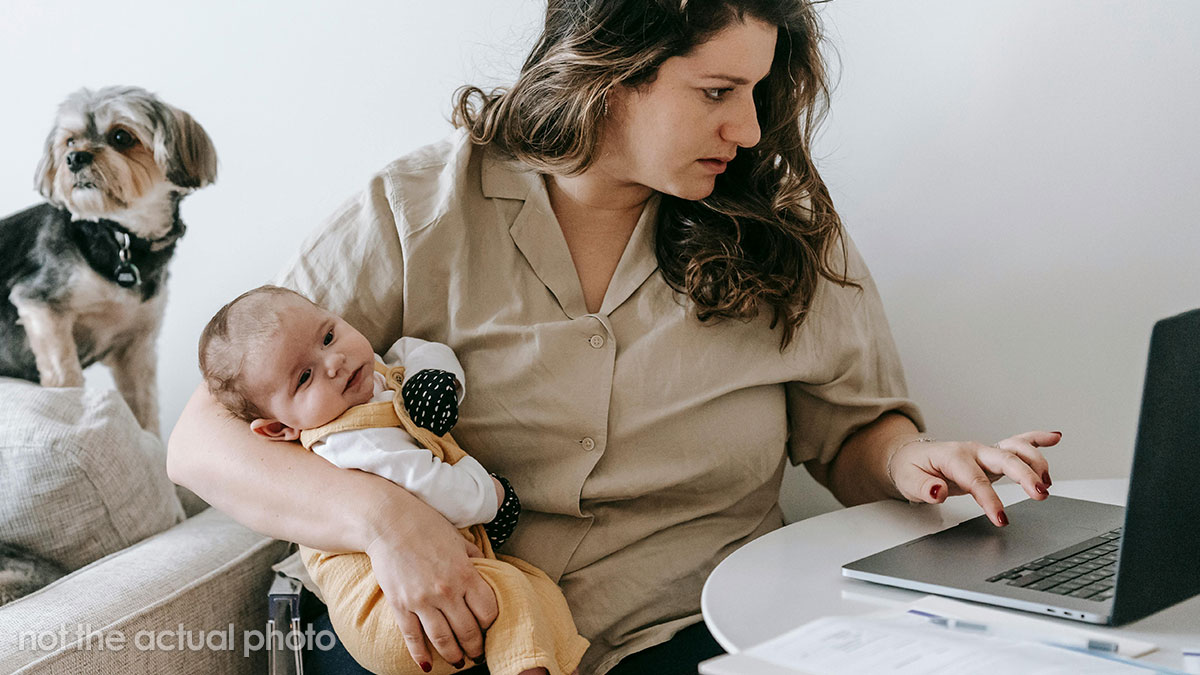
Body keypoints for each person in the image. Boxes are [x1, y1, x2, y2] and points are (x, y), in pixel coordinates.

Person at [167, 1, 1059, 673]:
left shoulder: (784, 226)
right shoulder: (418, 209)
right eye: (716, 91)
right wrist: (385, 517)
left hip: (692, 628)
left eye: (754, 92)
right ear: (609, 70)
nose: (747, 129)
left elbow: (857, 431)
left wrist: (912, 461)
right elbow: (203, 438)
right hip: (443, 631)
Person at [195, 285, 588, 675]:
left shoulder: (371, 379)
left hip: (430, 584)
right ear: (279, 429)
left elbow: (416, 349)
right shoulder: (352, 440)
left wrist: (435, 379)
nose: (334, 362)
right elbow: (447, 494)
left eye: (329, 336)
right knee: (513, 596)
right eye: (304, 377)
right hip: (387, 612)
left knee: (539, 593)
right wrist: (493, 492)